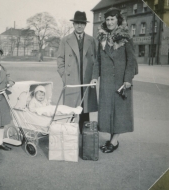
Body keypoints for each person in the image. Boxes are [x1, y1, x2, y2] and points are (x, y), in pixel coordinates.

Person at [96, 7, 138, 153]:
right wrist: (95, 78)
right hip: (107, 82)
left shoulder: (126, 37)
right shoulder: (101, 38)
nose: (109, 22)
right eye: (107, 19)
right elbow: (97, 60)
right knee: (109, 111)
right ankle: (112, 139)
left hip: (121, 82)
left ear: (118, 20)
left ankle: (114, 141)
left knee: (120, 111)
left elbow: (131, 60)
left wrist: (127, 79)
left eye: (112, 19)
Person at [57, 11, 98, 133]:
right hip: (72, 80)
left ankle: (85, 140)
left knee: (85, 112)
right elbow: (60, 59)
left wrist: (94, 77)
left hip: (86, 80)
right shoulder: (65, 40)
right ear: (73, 24)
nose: (79, 26)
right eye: (77, 23)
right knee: (71, 112)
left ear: (85, 25)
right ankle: (70, 140)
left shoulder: (92, 40)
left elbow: (96, 61)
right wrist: (64, 76)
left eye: (82, 23)